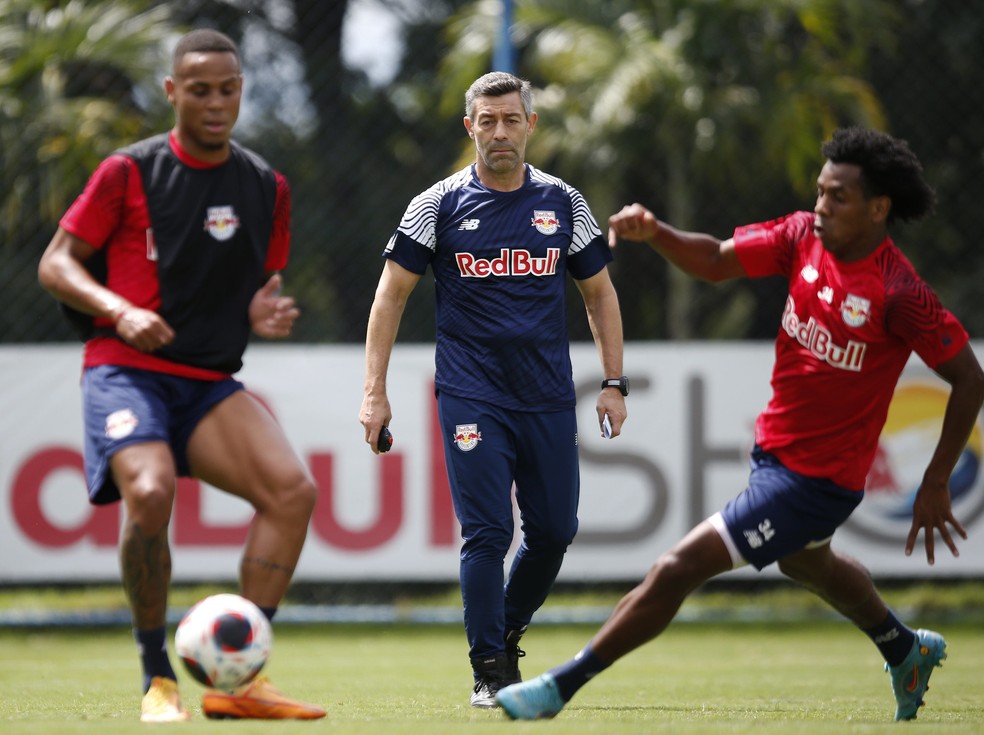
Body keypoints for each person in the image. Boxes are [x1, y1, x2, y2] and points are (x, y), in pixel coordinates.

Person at [495, 126, 984, 721]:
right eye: (821, 192)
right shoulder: (803, 236)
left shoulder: (899, 291)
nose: (822, 207)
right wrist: (659, 233)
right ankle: (904, 648)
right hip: (774, 455)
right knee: (807, 562)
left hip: (817, 481)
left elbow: (969, 378)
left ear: (879, 208)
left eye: (839, 198)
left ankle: (557, 688)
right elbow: (717, 260)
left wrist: (936, 480)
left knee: (678, 568)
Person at [37, 29, 326, 722]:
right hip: (126, 369)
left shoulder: (264, 184)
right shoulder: (127, 172)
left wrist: (264, 307)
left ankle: (239, 676)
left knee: (293, 491)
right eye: (199, 90)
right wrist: (118, 308)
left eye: (228, 89)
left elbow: (262, 278)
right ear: (173, 92)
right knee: (151, 487)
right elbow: (55, 264)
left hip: (207, 379)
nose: (216, 102)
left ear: (241, 91)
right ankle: (156, 671)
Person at [359, 71, 627, 707]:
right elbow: (391, 295)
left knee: (556, 531)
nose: (500, 132)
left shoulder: (565, 204)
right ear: (469, 127)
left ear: (531, 125)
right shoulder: (437, 205)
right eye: (488, 120)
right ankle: (489, 671)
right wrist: (375, 391)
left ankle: (504, 633)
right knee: (485, 534)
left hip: (546, 394)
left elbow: (600, 294)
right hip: (470, 393)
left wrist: (614, 381)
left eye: (512, 120)